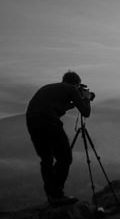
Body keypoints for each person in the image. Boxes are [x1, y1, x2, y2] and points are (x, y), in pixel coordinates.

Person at [26, 71, 93, 206]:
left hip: (32, 121)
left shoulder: (49, 87)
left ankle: (51, 195)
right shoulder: (71, 88)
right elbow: (86, 112)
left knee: (46, 159)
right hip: (49, 121)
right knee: (65, 157)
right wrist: (85, 98)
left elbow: (56, 108)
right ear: (76, 83)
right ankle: (57, 195)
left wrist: (74, 102)